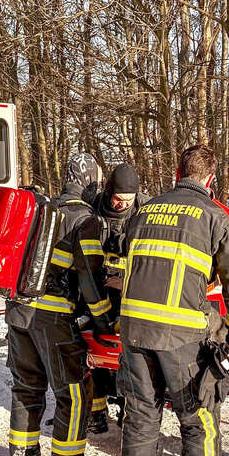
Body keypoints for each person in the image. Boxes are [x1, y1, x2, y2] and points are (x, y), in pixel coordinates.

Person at [117, 145, 229, 456]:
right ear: (210, 179)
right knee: (198, 416)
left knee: (141, 415)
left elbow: (129, 260)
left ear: (178, 173)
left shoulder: (144, 211)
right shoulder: (214, 215)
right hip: (181, 335)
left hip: (134, 329)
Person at [6, 152, 116, 456]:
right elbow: (90, 279)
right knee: (75, 390)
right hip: (52, 317)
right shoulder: (85, 220)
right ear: (91, 182)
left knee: (27, 387)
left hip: (18, 311)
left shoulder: (41, 210)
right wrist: (105, 320)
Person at [84, 163, 146, 434]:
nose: (123, 205)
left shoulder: (144, 211)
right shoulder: (93, 208)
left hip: (130, 293)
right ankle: (96, 412)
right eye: (119, 199)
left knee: (128, 357)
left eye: (128, 200)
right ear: (109, 192)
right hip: (96, 291)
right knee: (94, 351)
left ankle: (126, 409)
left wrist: (129, 282)